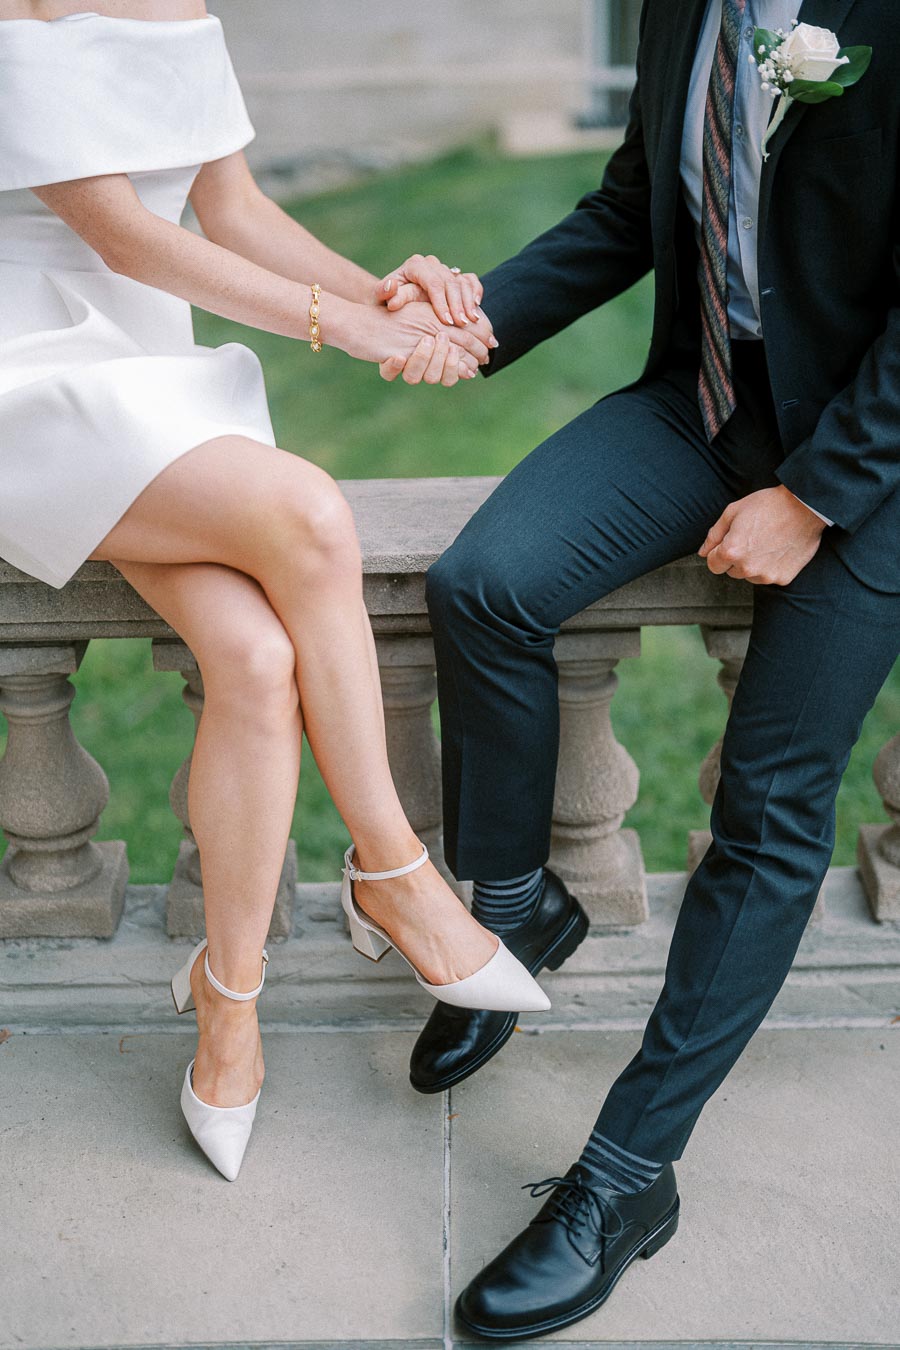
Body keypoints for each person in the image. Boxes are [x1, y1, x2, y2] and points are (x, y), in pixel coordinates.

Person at [407, 0, 900, 1339]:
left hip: (871, 458)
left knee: (770, 803)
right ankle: (513, 910)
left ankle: (626, 1178)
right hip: (709, 400)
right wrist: (472, 317)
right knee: (485, 584)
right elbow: (637, 207)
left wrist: (818, 494)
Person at [0, 0, 550, 1184]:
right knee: (310, 513)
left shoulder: (179, 9)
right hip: (26, 377)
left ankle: (227, 999)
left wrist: (385, 298)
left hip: (146, 383)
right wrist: (345, 328)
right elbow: (124, 238)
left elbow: (230, 207)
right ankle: (394, 871)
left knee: (252, 661)